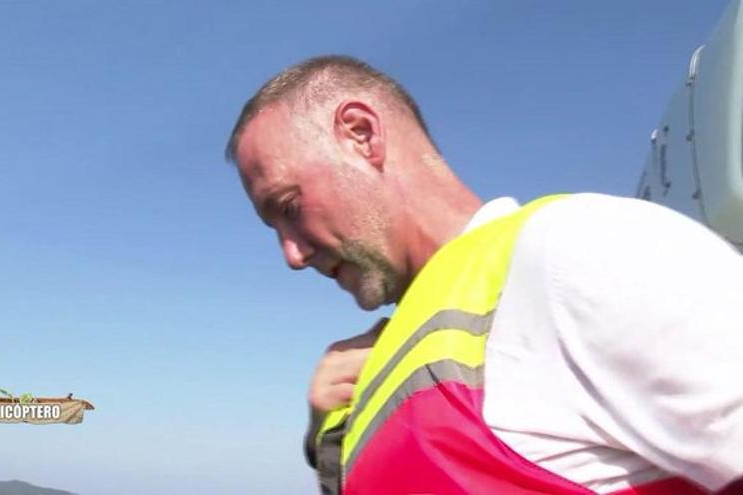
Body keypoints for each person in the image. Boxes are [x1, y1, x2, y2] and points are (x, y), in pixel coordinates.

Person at [225, 55, 743, 494]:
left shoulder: (572, 248)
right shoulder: (371, 365)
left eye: (289, 206)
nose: (291, 255)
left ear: (361, 135)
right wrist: (329, 442)